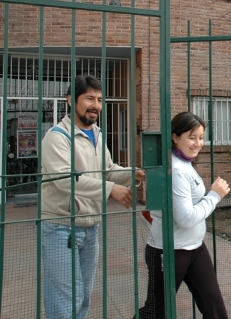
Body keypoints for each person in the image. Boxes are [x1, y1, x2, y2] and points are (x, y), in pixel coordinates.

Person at [40, 75, 146, 319]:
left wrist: (133, 174)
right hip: (60, 227)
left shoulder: (96, 134)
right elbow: (65, 179)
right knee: (66, 298)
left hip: (90, 228)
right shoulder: (57, 136)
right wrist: (111, 190)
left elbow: (106, 169)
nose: (96, 105)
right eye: (89, 98)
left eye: (99, 99)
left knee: (83, 297)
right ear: (70, 100)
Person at [137, 111, 230, 319]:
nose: (198, 143)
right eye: (192, 137)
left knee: (214, 306)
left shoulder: (184, 163)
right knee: (155, 312)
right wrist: (214, 196)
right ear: (175, 137)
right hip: (169, 251)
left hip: (195, 247)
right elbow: (186, 218)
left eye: (201, 137)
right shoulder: (177, 170)